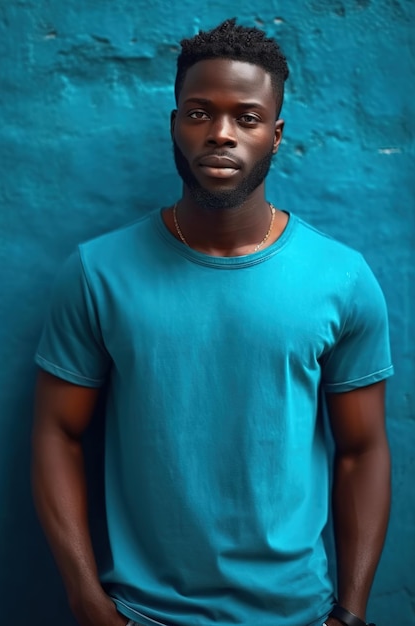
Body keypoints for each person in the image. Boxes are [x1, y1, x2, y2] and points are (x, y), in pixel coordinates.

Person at [32, 18, 393, 626]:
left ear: (276, 135)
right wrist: (87, 603)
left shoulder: (343, 279)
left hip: (297, 615)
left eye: (247, 117)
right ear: (174, 124)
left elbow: (362, 450)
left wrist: (351, 613)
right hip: (142, 613)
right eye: (199, 113)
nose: (221, 134)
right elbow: (55, 434)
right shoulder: (97, 272)